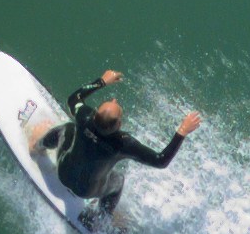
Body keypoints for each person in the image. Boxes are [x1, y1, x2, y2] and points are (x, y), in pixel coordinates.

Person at [30, 65, 202, 222]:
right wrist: (182, 131)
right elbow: (160, 160)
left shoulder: (84, 117)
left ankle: (37, 147)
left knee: (67, 128)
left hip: (63, 171)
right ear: (119, 125)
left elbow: (73, 99)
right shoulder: (123, 144)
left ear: (95, 112)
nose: (114, 100)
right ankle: (103, 218)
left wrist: (102, 81)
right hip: (87, 191)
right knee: (118, 181)